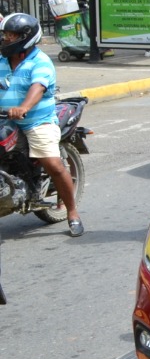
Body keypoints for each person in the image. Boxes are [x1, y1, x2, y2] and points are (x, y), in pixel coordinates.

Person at [0, 13, 84, 237]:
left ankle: (72, 212)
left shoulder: (40, 61)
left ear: (25, 37)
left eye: (12, 35)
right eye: (5, 34)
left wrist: (24, 107)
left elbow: (38, 87)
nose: (7, 38)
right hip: (4, 120)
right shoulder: (1, 61)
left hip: (37, 121)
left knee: (53, 164)